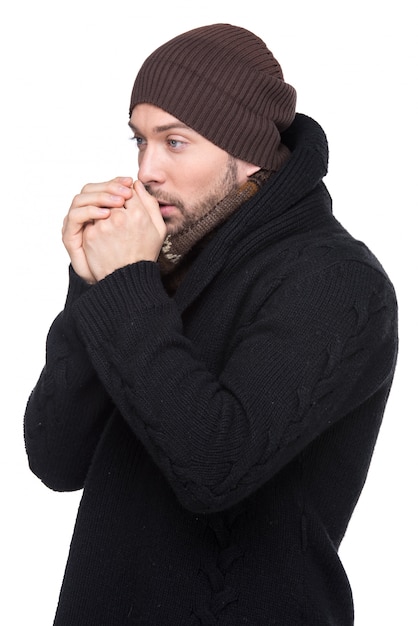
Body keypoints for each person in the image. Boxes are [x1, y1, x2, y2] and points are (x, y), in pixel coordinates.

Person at [24, 23, 398, 625]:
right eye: (139, 141)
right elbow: (56, 457)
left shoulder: (338, 282)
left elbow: (215, 468)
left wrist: (125, 286)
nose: (146, 170)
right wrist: (94, 285)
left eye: (174, 142)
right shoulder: (160, 270)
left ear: (245, 149)